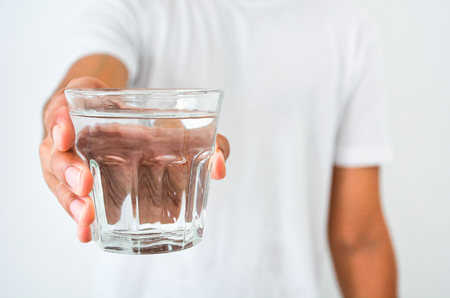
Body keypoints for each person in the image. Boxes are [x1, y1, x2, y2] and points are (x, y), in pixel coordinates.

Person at [39, 0, 397, 297]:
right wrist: (70, 113)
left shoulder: (348, 30)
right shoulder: (133, 6)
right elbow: (91, 76)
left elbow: (360, 237)